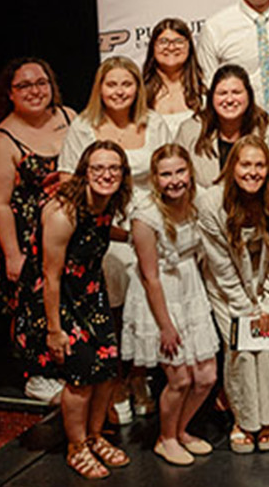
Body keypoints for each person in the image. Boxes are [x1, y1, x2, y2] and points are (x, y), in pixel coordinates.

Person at [58, 58, 150, 423]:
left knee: (152, 288)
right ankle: (114, 383)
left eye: (127, 84)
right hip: (102, 228)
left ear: (137, 88)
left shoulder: (153, 123)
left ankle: (139, 376)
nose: (119, 91)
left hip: (147, 223)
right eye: (111, 84)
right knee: (112, 288)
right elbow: (69, 181)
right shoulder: (83, 127)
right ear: (100, 88)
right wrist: (107, 227)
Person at [200, 135, 269, 452]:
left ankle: (268, 419)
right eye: (245, 164)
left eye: (260, 165)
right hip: (228, 288)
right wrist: (244, 308)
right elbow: (220, 264)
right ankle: (244, 420)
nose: (252, 172)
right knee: (240, 351)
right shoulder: (211, 203)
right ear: (232, 167)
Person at [41, 141, 130, 478]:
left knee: (106, 370)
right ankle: (76, 446)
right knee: (80, 377)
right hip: (64, 300)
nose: (107, 175)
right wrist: (54, 330)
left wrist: (135, 236)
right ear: (85, 172)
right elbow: (50, 276)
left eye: (114, 168)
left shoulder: (106, 203)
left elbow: (100, 230)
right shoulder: (64, 213)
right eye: (98, 168)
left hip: (93, 294)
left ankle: (94, 436)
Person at [127, 145, 221, 463]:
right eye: (166, 174)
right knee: (179, 379)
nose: (175, 180)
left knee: (206, 376)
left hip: (190, 287)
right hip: (160, 295)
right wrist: (165, 326)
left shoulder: (198, 201)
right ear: (155, 178)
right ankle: (165, 438)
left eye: (180, 171)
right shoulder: (145, 217)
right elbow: (150, 277)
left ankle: (180, 431)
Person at [161, 64, 269, 187]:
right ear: (212, 97)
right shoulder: (190, 130)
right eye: (222, 93)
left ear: (249, 95)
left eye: (236, 92)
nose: (230, 99)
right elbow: (177, 175)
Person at [140, 19, 206, 122]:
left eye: (179, 42)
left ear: (189, 46)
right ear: (153, 47)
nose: (171, 47)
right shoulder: (139, 91)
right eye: (163, 42)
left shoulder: (205, 89)